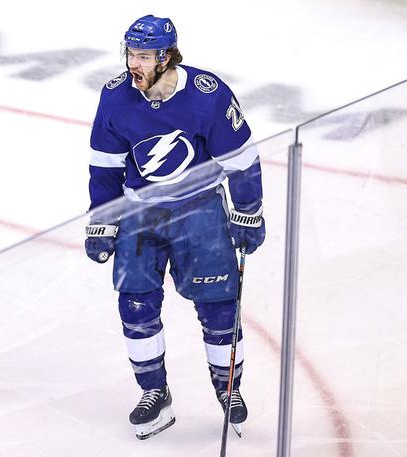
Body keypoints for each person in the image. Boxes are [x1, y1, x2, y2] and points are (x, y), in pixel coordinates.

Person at [84, 14, 265, 440]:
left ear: (166, 57)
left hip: (199, 212)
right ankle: (154, 392)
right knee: (136, 307)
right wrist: (102, 221)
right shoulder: (115, 97)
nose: (134, 64)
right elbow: (105, 166)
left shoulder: (207, 95)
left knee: (219, 307)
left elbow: (242, 160)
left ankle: (227, 389)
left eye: (144, 56)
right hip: (140, 214)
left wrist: (248, 211)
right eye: (131, 53)